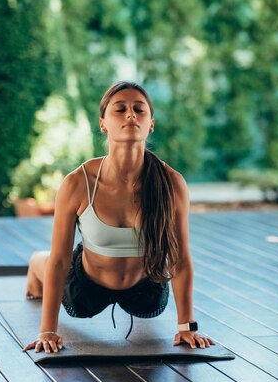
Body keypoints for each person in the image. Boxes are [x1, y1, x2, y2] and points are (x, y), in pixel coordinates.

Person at [22, 81, 215, 354]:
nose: (130, 115)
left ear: (150, 124)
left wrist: (186, 327)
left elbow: (181, 258)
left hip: (145, 293)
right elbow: (61, 260)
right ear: (103, 123)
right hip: (86, 288)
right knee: (47, 260)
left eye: (139, 109)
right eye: (120, 109)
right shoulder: (78, 183)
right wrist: (47, 331)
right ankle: (34, 263)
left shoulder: (172, 183)